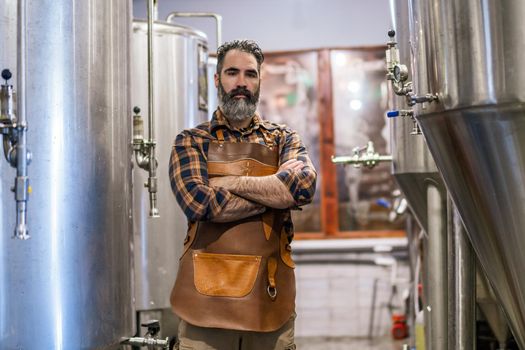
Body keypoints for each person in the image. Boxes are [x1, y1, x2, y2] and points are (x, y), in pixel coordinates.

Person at [169, 39, 317, 350]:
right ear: (217, 79)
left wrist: (229, 182)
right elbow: (201, 203)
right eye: (232, 73)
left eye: (250, 74)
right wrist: (271, 194)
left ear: (260, 80)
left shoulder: (283, 138)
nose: (241, 83)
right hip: (202, 306)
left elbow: (301, 186)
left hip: (268, 299)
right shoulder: (191, 141)